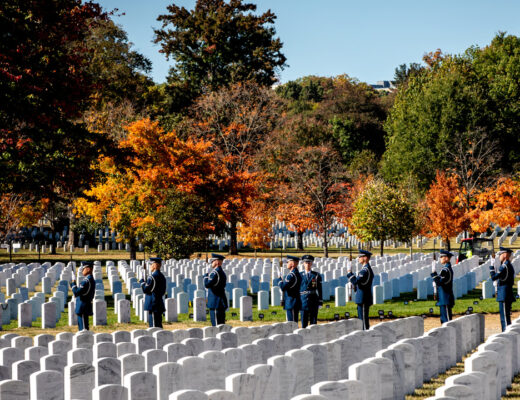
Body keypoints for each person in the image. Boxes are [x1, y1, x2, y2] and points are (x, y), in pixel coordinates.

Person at [347, 250, 374, 330]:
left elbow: (356, 281)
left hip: (363, 298)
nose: (358, 258)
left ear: (365, 258)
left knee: (363, 321)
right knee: (361, 319)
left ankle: (365, 336)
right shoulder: (365, 269)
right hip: (362, 298)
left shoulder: (365, 270)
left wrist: (349, 272)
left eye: (360, 257)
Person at [490, 247, 516, 331]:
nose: (499, 256)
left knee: (504, 318)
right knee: (506, 316)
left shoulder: (505, 266)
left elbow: (494, 277)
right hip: (506, 293)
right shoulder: (507, 265)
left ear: (505, 255)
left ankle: (506, 333)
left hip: (504, 294)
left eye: (500, 254)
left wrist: (492, 265)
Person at [140, 257, 166, 328]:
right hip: (159, 302)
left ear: (155, 265)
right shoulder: (162, 276)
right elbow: (163, 291)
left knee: (154, 327)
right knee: (158, 324)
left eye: (151, 264)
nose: (150, 266)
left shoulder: (152, 277)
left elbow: (145, 290)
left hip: (153, 304)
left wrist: (142, 282)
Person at [70, 261, 95, 331]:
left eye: (83, 269)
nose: (82, 271)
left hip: (83, 307)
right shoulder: (90, 280)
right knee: (83, 327)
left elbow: (76, 292)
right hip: (84, 306)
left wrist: (73, 282)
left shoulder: (87, 281)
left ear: (88, 269)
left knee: (83, 329)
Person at [431, 249, 455, 323]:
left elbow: (440, 282)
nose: (440, 258)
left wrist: (434, 273)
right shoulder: (445, 269)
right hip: (443, 299)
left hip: (445, 298)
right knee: (444, 321)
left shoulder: (446, 270)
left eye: (441, 257)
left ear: (446, 258)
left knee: (447, 322)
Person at [299, 255, 322, 328]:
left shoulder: (316, 275)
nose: (308, 264)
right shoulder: (299, 275)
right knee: (304, 323)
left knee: (313, 323)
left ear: (312, 263)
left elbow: (320, 289)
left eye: (309, 263)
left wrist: (320, 301)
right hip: (303, 301)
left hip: (313, 300)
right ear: (303, 263)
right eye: (306, 262)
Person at [204, 253, 227, 326]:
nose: (211, 263)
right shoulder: (220, 272)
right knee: (220, 325)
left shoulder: (215, 273)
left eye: (212, 261)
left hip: (215, 302)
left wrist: (206, 275)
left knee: (216, 326)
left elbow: (207, 284)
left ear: (217, 262)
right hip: (219, 301)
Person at [279, 255, 302, 324]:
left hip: (292, 301)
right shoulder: (295, 274)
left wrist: (279, 280)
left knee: (292, 323)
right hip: (292, 301)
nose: (286, 264)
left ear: (292, 263)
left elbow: (283, 287)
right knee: (291, 322)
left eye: (287, 262)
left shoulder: (292, 275)